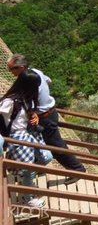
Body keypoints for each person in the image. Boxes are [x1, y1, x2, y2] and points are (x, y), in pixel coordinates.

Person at [7, 54, 86, 185]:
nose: (10, 72)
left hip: (44, 117)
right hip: (50, 112)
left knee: (55, 146)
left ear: (20, 67)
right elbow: (49, 80)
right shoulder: (35, 71)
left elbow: (27, 100)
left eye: (11, 69)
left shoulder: (27, 79)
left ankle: (77, 169)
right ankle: (35, 167)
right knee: (37, 142)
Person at [0, 70, 53, 207]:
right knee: (28, 167)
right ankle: (27, 197)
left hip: (26, 133)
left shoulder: (28, 99)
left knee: (46, 157)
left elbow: (26, 113)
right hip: (15, 137)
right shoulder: (10, 102)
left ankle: (25, 179)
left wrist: (33, 116)